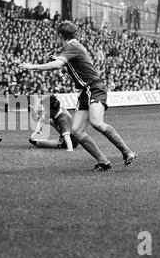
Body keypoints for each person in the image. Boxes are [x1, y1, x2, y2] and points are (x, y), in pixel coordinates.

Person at [19, 21, 137, 171]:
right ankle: (103, 162)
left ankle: (127, 152)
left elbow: (57, 66)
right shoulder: (74, 47)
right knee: (76, 130)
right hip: (84, 92)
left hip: (93, 88)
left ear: (60, 36)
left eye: (57, 37)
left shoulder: (72, 46)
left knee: (97, 122)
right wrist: (57, 58)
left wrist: (33, 67)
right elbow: (69, 63)